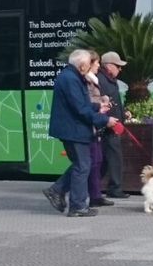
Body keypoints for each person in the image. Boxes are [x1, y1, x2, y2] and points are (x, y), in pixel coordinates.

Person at [43, 49, 118, 217]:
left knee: (84, 164)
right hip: (73, 129)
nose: (91, 66)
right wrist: (104, 120)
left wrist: (98, 107)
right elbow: (80, 109)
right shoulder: (71, 79)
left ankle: (57, 191)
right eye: (88, 63)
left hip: (74, 128)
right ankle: (76, 206)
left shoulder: (72, 77)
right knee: (83, 166)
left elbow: (81, 104)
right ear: (82, 64)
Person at [82, 52, 112, 208]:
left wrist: (103, 100)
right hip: (90, 125)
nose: (99, 66)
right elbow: (86, 103)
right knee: (89, 162)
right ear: (89, 63)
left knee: (98, 160)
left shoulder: (93, 80)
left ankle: (96, 194)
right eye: (97, 63)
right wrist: (100, 106)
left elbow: (93, 100)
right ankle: (58, 189)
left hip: (96, 125)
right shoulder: (86, 80)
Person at [97, 51, 128, 199]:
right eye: (118, 66)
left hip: (112, 124)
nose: (120, 69)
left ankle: (96, 187)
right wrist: (109, 120)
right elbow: (102, 103)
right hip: (108, 126)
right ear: (109, 65)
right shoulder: (101, 80)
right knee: (113, 157)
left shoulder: (108, 79)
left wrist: (124, 113)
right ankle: (114, 188)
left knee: (105, 159)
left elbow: (114, 102)